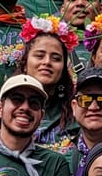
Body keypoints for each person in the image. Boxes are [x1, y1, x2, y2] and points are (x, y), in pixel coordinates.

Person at [16, 18, 79, 150]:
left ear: (63, 68)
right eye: (39, 56)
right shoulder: (6, 105)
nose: (47, 62)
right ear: (25, 63)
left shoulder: (77, 109)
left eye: (56, 58)